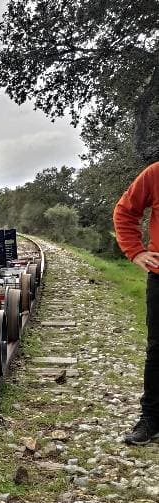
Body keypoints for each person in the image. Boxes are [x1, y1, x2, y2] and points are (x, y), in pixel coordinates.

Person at [113, 161, 159, 445]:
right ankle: (152, 418)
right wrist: (136, 251)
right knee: (158, 350)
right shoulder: (156, 173)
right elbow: (125, 211)